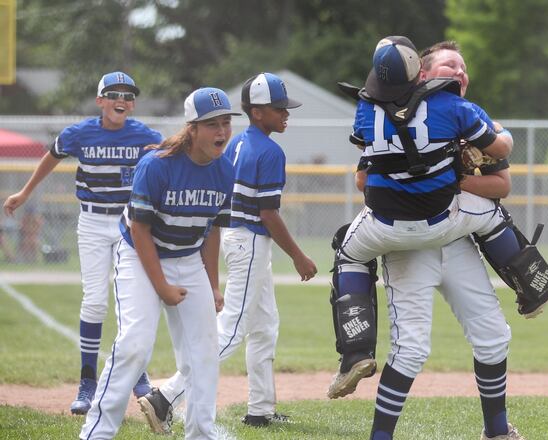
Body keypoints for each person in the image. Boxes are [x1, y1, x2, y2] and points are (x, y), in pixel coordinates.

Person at [331, 40, 548, 440]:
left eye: (463, 67)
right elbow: (366, 177)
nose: (458, 72)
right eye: (449, 65)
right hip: (414, 246)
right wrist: (441, 174)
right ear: (423, 73)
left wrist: (450, 174)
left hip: (453, 239)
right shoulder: (457, 114)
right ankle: (534, 281)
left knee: (493, 336)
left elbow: (501, 184)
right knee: (412, 348)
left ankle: (497, 431)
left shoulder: (451, 115)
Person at [138, 72, 318, 432]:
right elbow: (267, 213)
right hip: (249, 239)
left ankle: (260, 408)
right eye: (278, 108)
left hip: (238, 238)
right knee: (233, 328)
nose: (286, 113)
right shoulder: (269, 151)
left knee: (266, 326)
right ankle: (166, 396)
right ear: (256, 112)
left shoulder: (236, 143)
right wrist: (298, 255)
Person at [78, 87, 238, 440]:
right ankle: (96, 433)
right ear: (192, 128)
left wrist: (212, 284)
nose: (222, 132)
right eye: (212, 124)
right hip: (140, 253)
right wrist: (162, 287)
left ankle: (200, 433)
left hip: (188, 257)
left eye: (226, 122)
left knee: (204, 352)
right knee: (135, 342)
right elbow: (139, 229)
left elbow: (213, 232)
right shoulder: (157, 165)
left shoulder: (226, 171)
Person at [3, 71, 162, 414]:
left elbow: (168, 158)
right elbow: (52, 155)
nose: (121, 100)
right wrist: (25, 192)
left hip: (128, 223)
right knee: (94, 302)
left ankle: (138, 374)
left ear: (132, 103)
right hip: (91, 221)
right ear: (100, 100)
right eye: (113, 94)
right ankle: (87, 382)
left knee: (131, 304)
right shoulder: (80, 133)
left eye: (127, 95)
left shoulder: (145, 136)